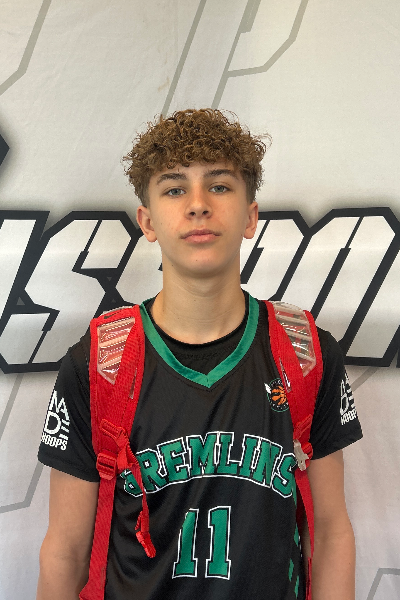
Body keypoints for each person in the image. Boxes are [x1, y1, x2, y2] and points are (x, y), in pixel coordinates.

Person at [36, 108, 362, 600]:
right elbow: (65, 550)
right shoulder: (99, 364)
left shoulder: (306, 354)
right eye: (174, 189)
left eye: (219, 186)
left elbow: (332, 533)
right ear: (147, 221)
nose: (197, 205)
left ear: (250, 216)